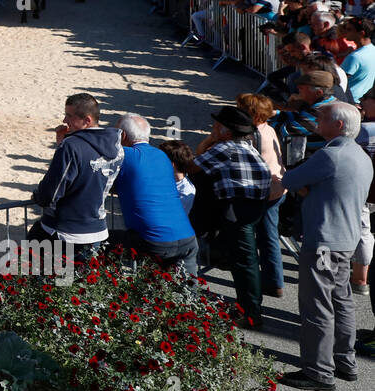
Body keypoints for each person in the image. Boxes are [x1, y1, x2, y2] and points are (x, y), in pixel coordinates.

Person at [278, 103, 372, 391]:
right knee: (342, 302)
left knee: (317, 306)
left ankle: (318, 371)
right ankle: (345, 361)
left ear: (339, 125)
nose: (317, 120)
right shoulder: (361, 155)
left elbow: (290, 179)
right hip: (346, 239)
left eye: (323, 117)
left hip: (323, 242)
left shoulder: (330, 155)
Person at [190, 107, 273, 328]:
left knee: (245, 263)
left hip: (237, 210)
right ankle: (249, 309)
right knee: (245, 259)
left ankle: (252, 314)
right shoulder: (247, 147)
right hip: (254, 208)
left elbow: (193, 166)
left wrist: (210, 139)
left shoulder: (225, 148)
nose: (213, 128)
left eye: (217, 126)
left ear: (226, 130)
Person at [31, 93, 124, 263]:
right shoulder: (117, 146)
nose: (65, 120)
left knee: (49, 282)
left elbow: (51, 193)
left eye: (70, 116)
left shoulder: (72, 146)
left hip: (66, 232)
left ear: (87, 120)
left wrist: (38, 196)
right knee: (80, 285)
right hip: (96, 230)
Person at [112, 114, 198, 275]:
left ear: (122, 135)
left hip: (154, 240)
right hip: (187, 238)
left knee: (98, 244)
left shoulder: (125, 155)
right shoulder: (162, 156)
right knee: (188, 293)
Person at [238, 93, 285, 298]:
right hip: (277, 187)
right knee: (268, 235)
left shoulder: (253, 135)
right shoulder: (268, 129)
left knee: (268, 237)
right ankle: (273, 281)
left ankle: (274, 282)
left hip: (266, 191)